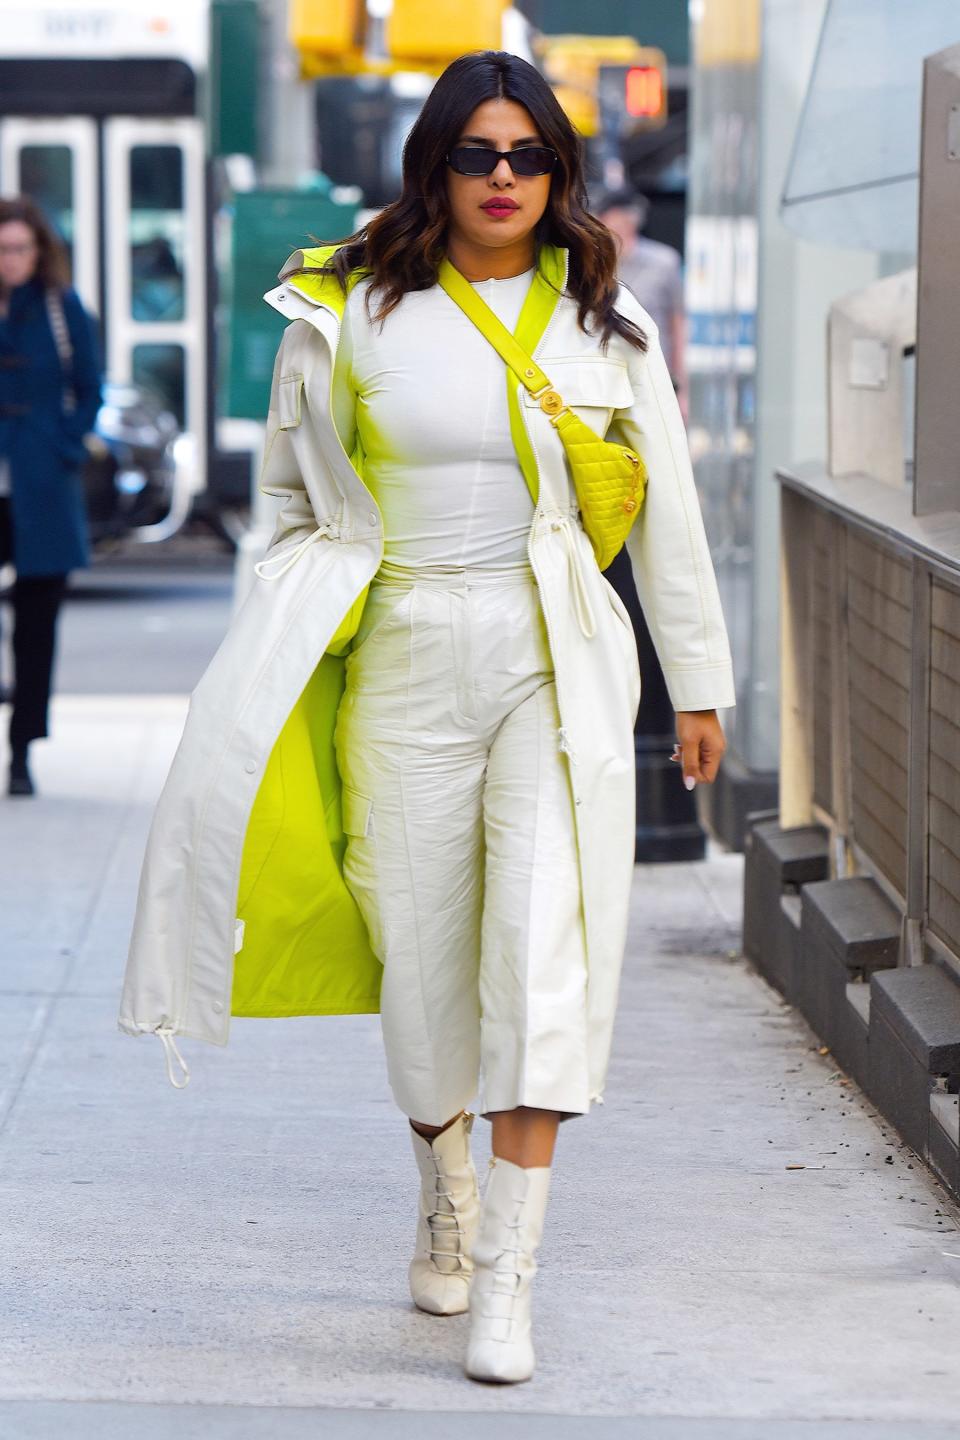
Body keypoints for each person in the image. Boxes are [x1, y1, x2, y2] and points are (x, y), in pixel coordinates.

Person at [118, 51, 735, 1384]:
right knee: (422, 967)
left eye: (527, 155)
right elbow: (284, 505)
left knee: (538, 955)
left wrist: (702, 683)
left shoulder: (604, 328)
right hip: (398, 649)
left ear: (562, 170)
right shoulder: (348, 315)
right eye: (476, 154)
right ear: (434, 166)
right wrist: (293, 626)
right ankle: (445, 1178)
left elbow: (670, 518)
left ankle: (509, 1283)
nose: (503, 178)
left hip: (549, 653)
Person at [0, 197, 102, 796]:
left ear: (38, 253)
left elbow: (89, 388)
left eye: (19, 249)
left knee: (37, 625)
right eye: (2, 250)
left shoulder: (63, 309)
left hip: (41, 484)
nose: (9, 261)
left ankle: (21, 751)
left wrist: (66, 443)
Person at [597, 186, 688, 420]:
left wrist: (682, 389)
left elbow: (677, 324)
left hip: (654, 371)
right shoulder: (592, 262)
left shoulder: (663, 262)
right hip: (605, 373)